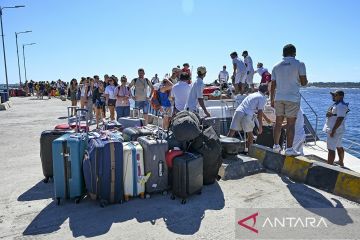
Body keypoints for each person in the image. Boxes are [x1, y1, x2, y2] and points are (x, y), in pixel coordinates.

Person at [270, 44, 308, 156]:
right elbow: (304, 82)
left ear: (283, 53)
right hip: (292, 98)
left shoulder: (276, 66)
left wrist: (271, 99)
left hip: (279, 97)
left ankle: (276, 146)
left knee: (278, 123)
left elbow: (273, 85)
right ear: (294, 53)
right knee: (291, 124)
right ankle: (289, 149)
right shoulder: (300, 64)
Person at [227, 84, 268, 150]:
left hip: (238, 111)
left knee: (231, 132)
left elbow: (258, 110)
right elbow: (260, 113)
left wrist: (267, 119)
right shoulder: (262, 98)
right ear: (266, 91)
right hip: (247, 114)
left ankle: (224, 149)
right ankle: (249, 153)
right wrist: (260, 126)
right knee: (250, 136)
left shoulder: (252, 94)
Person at [323, 90, 349, 166]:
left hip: (334, 130)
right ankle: (341, 162)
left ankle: (329, 166)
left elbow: (340, 119)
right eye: (333, 95)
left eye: (335, 95)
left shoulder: (341, 105)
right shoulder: (337, 104)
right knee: (339, 146)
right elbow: (335, 115)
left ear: (341, 96)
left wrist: (333, 131)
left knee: (331, 149)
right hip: (337, 130)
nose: (333, 96)